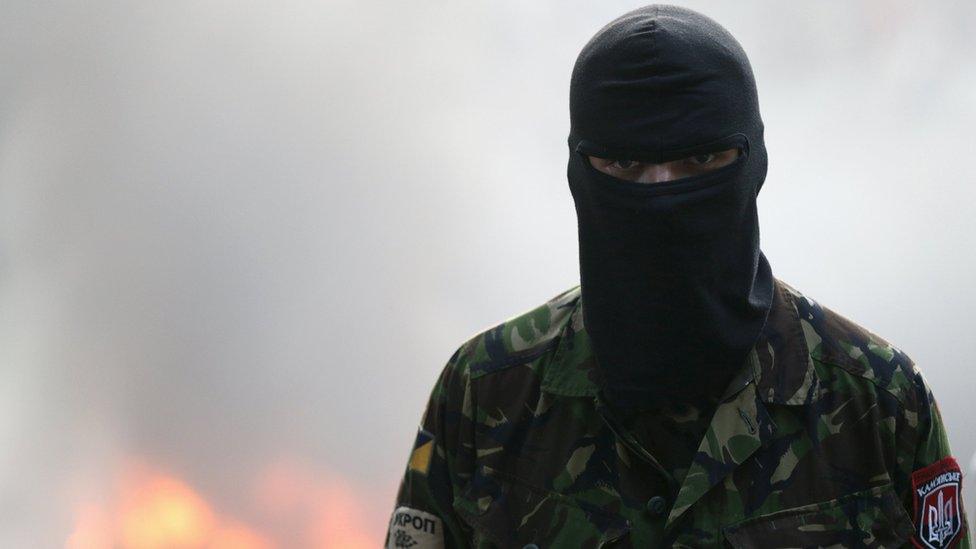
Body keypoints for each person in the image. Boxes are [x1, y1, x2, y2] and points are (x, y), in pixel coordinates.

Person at [385, 4, 970, 548]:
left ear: (755, 162)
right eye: (625, 164)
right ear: (578, 171)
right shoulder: (484, 394)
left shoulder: (880, 404)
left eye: (701, 160)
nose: (663, 195)